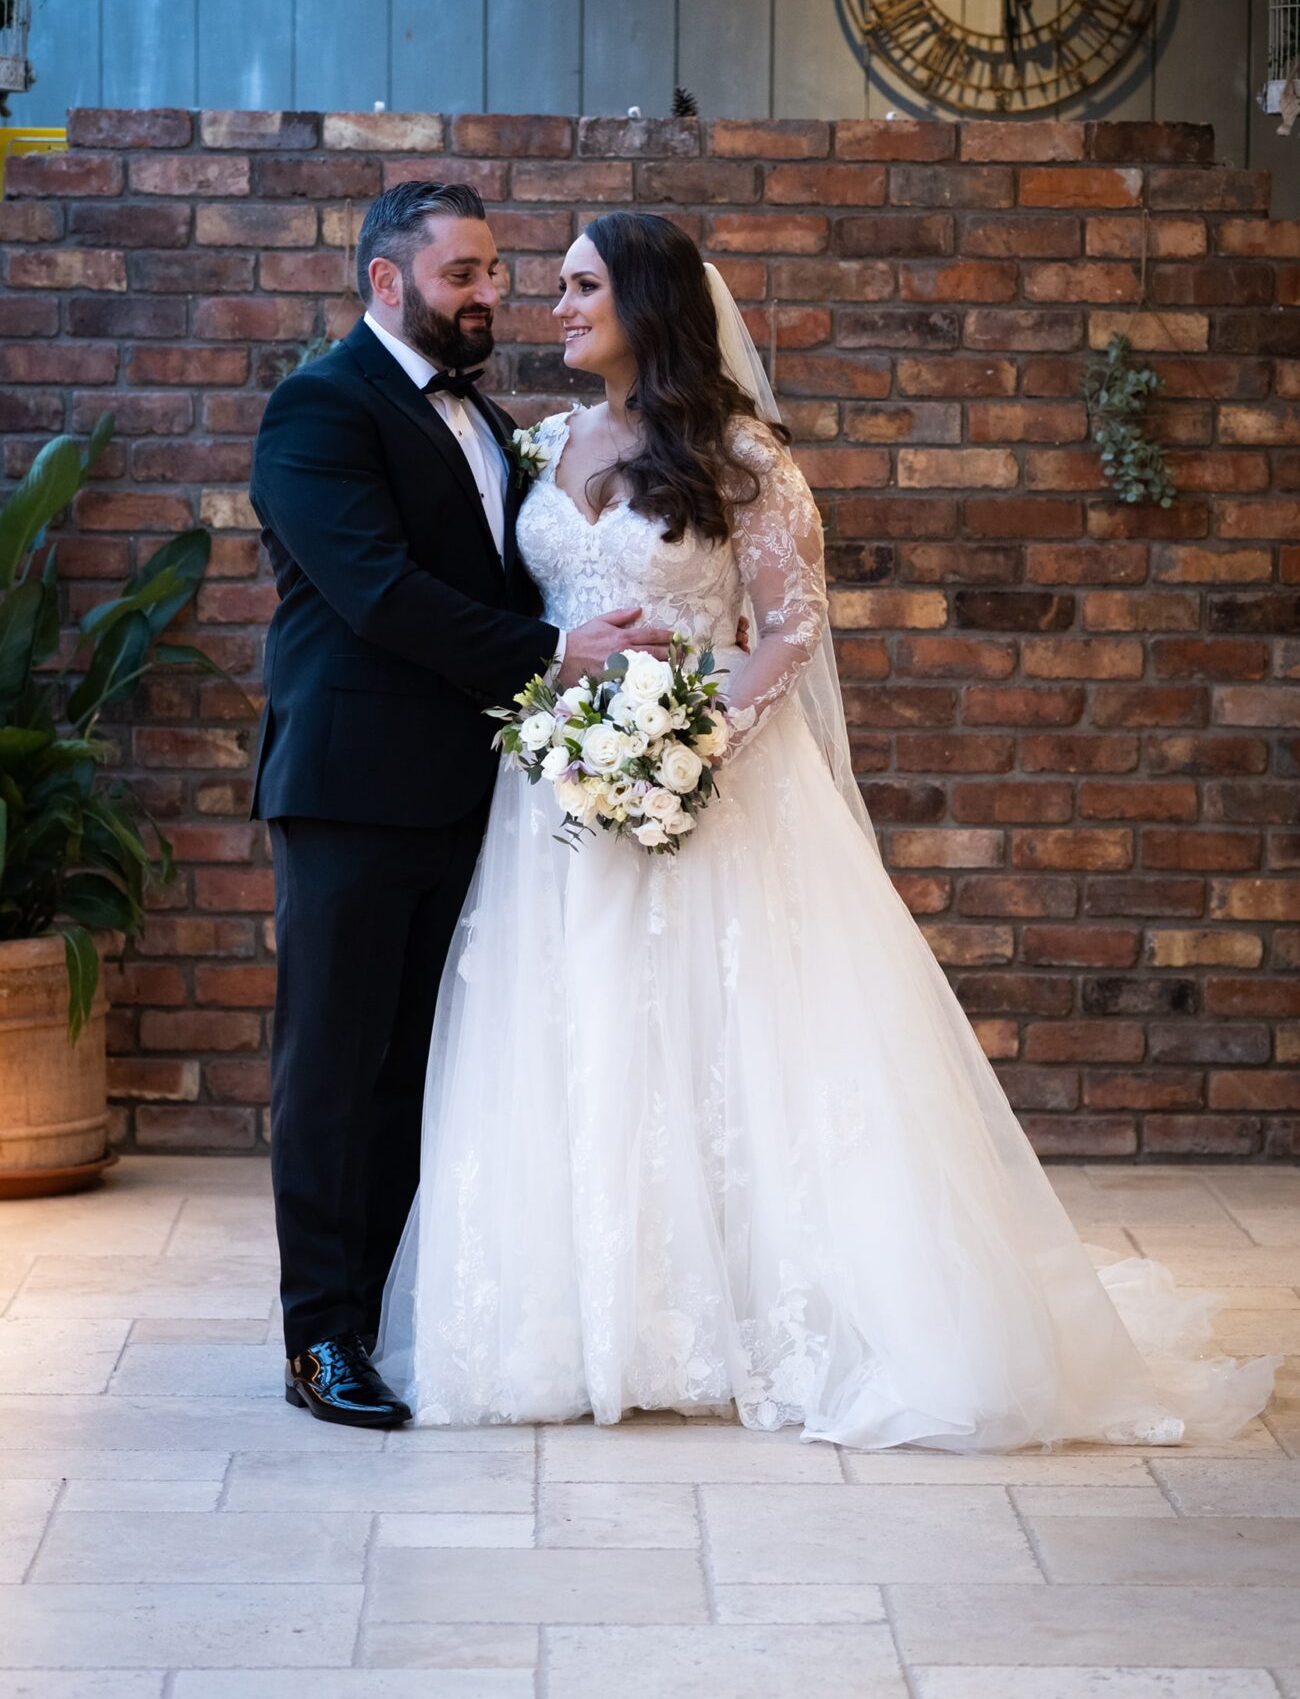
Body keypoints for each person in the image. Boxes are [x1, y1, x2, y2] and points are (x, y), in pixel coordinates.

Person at [377, 210, 1277, 1452]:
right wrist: (592, 755)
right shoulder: (542, 447)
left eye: (584, 286)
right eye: (558, 288)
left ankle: (765, 1320)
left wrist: (687, 750)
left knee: (734, 1041)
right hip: (561, 806)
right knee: (578, 1037)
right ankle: (594, 1324)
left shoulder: (743, 457)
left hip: (710, 791)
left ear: (647, 302)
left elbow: (791, 633)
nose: (557, 307)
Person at [248, 181, 671, 1428]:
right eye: (465, 275)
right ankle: (317, 1342)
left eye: (497, 271)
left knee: (410, 1076)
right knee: (331, 1070)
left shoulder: (490, 423)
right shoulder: (318, 408)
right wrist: (555, 661)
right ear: (389, 283)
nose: (494, 293)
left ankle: (374, 1322)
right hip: (348, 792)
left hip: (472, 798)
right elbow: (376, 594)